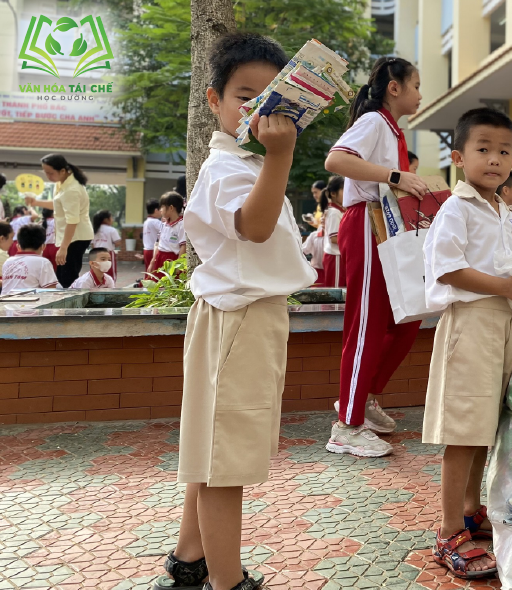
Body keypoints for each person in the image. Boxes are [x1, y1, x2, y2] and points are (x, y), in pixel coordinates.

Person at [155, 32, 317, 590]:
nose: (260, 110)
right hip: (239, 320)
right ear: (213, 101)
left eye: (274, 98)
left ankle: (189, 559)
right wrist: (283, 154)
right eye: (246, 96)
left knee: (212, 450)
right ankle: (226, 582)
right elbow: (253, 226)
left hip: (244, 318)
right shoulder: (228, 168)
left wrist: (273, 158)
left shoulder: (246, 163)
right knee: (225, 464)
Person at [423, 107, 512, 580]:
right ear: (458, 156)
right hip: (471, 323)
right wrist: (505, 286)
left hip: (504, 324)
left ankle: (472, 510)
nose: (495, 159)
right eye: (483, 149)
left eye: (504, 151)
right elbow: (447, 268)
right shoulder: (457, 208)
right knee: (464, 429)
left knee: (486, 426)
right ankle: (449, 528)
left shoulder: (506, 212)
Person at [324, 56, 429, 457]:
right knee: (366, 323)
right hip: (365, 224)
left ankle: (362, 400)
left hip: (387, 230)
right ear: (394, 87)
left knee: (405, 318)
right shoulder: (373, 122)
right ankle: (346, 426)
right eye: (416, 85)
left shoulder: (392, 130)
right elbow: (336, 160)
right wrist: (396, 176)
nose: (420, 94)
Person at [25, 154, 93, 288]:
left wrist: (63, 248)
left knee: (67, 278)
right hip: (70, 237)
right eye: (45, 173)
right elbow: (58, 204)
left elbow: (72, 221)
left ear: (62, 171)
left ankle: (70, 307)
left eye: (50, 173)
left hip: (76, 237)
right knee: (62, 276)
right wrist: (36, 202)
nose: (48, 176)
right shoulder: (63, 183)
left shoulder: (72, 189)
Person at [1, 224, 58, 295]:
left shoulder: (8, 262)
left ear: (18, 246)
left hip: (4, 304)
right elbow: (51, 292)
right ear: (43, 247)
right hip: (28, 304)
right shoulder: (43, 262)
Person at [148, 192, 186, 279]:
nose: (160, 210)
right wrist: (152, 261)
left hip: (172, 260)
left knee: (169, 287)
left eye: (162, 207)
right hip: (160, 257)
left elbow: (183, 246)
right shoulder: (164, 224)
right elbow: (160, 244)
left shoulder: (181, 224)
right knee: (158, 285)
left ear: (171, 208)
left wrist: (178, 265)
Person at [321, 176, 346, 288]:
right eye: (344, 190)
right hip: (335, 256)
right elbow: (334, 238)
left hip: (338, 256)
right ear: (333, 193)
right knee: (336, 291)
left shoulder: (339, 211)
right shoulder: (334, 212)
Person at [91, 210, 122, 280]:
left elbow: (93, 244)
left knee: (97, 273)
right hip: (108, 254)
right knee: (110, 273)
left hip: (96, 254)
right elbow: (118, 242)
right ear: (106, 219)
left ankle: (97, 287)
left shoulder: (94, 230)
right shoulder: (111, 230)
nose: (112, 220)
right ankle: (110, 288)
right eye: (111, 217)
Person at [143, 200, 163, 272]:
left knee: (148, 271)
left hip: (146, 250)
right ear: (156, 210)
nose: (161, 211)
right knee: (154, 271)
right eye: (160, 209)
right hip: (153, 250)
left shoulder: (146, 221)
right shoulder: (156, 222)